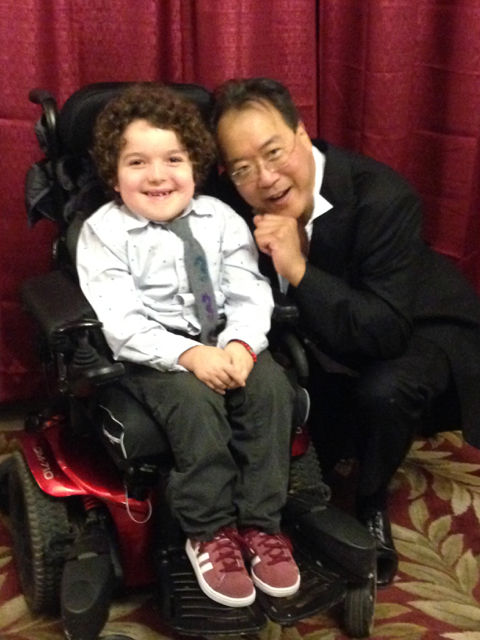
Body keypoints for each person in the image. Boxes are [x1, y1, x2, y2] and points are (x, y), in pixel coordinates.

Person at [211, 77, 480, 587]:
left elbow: (385, 332)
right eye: (243, 168)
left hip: (413, 326)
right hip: (322, 335)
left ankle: (372, 499)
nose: (265, 178)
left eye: (274, 152)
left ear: (301, 132)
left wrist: (297, 268)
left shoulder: (383, 196)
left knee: (383, 391)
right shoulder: (228, 201)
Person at [76, 83, 301, 608]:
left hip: (225, 338)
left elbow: (249, 290)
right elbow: (122, 322)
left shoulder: (221, 219)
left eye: (173, 159)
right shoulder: (102, 233)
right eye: (137, 162)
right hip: (154, 356)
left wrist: (242, 344)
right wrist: (189, 355)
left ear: (195, 165)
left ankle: (261, 524)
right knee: (195, 404)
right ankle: (210, 529)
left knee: (272, 388)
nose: (157, 175)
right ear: (114, 173)